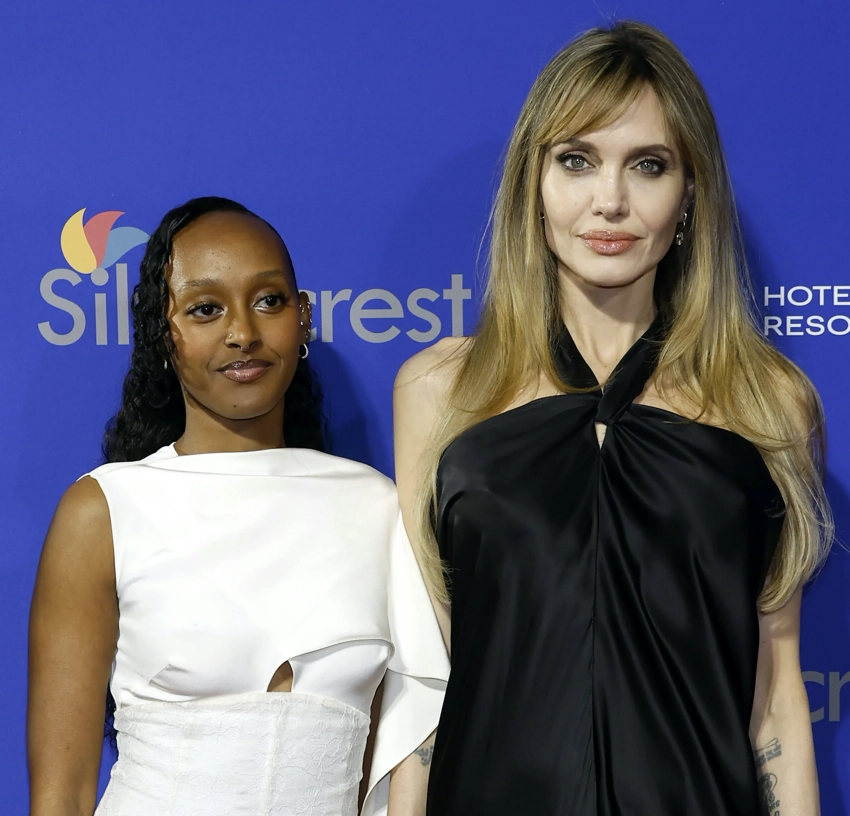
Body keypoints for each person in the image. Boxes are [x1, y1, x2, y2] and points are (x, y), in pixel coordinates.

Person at [394, 21, 830, 816]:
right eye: (577, 160)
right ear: (533, 183)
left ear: (690, 194)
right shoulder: (442, 389)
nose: (610, 201)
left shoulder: (767, 401)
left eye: (649, 165)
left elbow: (775, 698)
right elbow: (434, 676)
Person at [28, 196, 449, 816]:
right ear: (162, 333)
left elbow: (401, 755)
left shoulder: (378, 506)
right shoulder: (105, 509)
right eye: (205, 309)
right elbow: (60, 795)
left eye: (269, 301)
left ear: (304, 318)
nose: (243, 334)